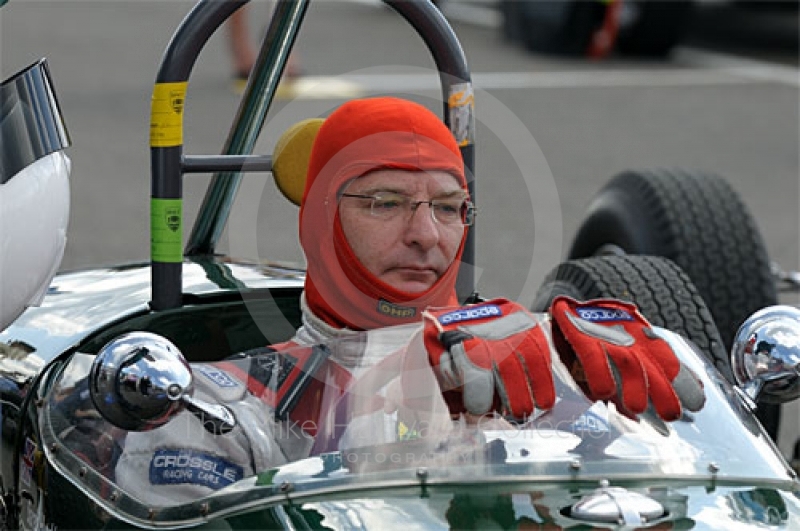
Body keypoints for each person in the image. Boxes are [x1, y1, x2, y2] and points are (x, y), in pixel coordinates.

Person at [115, 97, 705, 503]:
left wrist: (616, 422)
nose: (427, 234)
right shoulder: (216, 406)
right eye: (384, 202)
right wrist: (407, 391)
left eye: (448, 207)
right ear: (322, 214)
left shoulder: (536, 357)